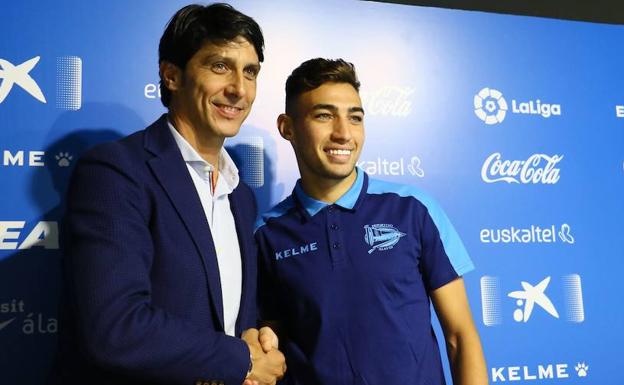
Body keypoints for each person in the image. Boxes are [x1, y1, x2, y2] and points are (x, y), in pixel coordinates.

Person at [53, 4, 285, 385]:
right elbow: (116, 327)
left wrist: (255, 338)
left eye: (250, 72)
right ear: (172, 75)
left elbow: (225, 317)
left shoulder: (241, 195)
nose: (238, 89)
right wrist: (239, 359)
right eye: (219, 66)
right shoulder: (117, 172)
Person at [255, 58, 488, 385]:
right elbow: (270, 342)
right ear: (287, 127)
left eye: (355, 117)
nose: (343, 133)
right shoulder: (266, 233)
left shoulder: (413, 209)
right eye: (324, 115)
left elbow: (460, 337)